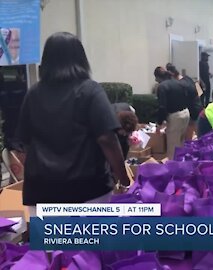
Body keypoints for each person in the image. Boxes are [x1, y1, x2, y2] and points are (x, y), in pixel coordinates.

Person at [16, 32, 130, 215]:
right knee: (88, 243)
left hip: (40, 192)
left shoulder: (33, 94)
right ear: (81, 59)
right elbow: (107, 139)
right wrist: (123, 178)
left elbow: (22, 145)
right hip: (87, 190)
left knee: (51, 243)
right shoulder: (90, 91)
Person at [155, 66, 191, 159]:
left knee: (173, 149)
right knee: (181, 144)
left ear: (158, 77)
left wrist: (159, 124)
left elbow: (162, 107)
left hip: (175, 117)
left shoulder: (162, 87)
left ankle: (173, 171)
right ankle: (182, 167)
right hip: (186, 113)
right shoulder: (178, 83)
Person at [166, 63, 203, 140]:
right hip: (198, 107)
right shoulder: (188, 79)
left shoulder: (181, 85)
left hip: (191, 111)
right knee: (197, 134)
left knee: (190, 137)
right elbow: (199, 92)